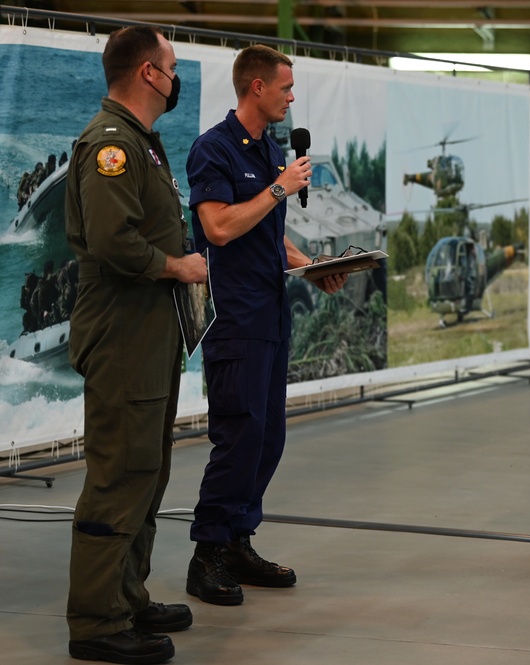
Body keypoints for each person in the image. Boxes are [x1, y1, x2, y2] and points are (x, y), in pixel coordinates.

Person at [64, 26, 208, 664]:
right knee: (119, 474)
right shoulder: (112, 146)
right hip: (123, 335)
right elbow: (111, 239)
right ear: (149, 73)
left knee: (148, 472)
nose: (176, 78)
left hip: (149, 333)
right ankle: (96, 624)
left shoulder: (143, 144)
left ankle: (127, 595)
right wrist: (177, 267)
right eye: (172, 66)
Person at [185, 44, 347, 606]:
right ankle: (206, 552)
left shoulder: (271, 148)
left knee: (269, 436)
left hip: (271, 311)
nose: (292, 96)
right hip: (235, 317)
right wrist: (279, 187)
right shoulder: (215, 150)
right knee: (239, 434)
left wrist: (313, 268)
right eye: (285, 87)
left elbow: (268, 234)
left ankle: (237, 540)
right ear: (256, 87)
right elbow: (221, 228)